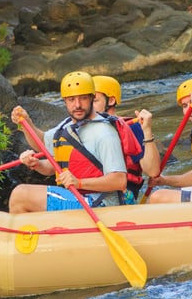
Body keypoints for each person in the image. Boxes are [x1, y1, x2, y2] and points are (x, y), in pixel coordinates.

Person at [9, 71, 127, 213]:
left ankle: (23, 234)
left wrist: (79, 182)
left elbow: (119, 181)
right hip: (77, 197)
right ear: (64, 101)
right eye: (71, 99)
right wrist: (27, 123)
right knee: (22, 193)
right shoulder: (67, 126)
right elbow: (42, 145)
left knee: (21, 195)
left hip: (100, 203)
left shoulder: (104, 133)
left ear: (91, 98)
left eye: (83, 98)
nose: (77, 105)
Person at [91, 74, 160, 201]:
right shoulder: (82, 129)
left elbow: (153, 172)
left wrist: (147, 130)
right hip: (91, 188)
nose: (88, 106)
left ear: (111, 101)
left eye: (94, 101)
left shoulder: (131, 127)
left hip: (120, 194)